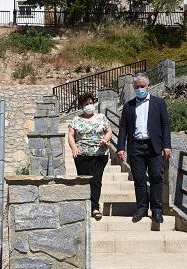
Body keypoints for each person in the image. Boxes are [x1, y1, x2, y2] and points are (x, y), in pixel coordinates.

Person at [117, 73, 171, 224]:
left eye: (142, 86)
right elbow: (123, 128)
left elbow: (165, 125)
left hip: (154, 147)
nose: (140, 89)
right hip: (136, 147)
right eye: (137, 87)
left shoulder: (159, 103)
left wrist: (167, 145)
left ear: (148, 86)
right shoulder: (128, 106)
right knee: (139, 180)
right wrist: (121, 147)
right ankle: (141, 208)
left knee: (156, 177)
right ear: (134, 87)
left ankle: (157, 210)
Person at [68, 92, 113, 221]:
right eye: (86, 104)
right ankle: (84, 206)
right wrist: (74, 147)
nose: (89, 106)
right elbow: (71, 135)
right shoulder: (76, 119)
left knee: (96, 180)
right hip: (82, 155)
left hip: (99, 154)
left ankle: (94, 207)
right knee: (84, 180)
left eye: (90, 103)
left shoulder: (102, 117)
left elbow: (109, 131)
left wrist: (105, 139)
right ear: (82, 106)